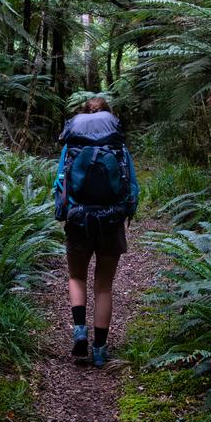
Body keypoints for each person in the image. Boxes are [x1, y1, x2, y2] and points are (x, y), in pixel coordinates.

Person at [53, 97, 139, 368]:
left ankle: (80, 331)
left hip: (78, 220)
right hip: (111, 221)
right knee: (104, 286)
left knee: (76, 276)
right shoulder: (118, 146)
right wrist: (127, 213)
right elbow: (132, 187)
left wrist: (63, 212)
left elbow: (60, 182)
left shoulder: (72, 146)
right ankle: (100, 349)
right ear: (108, 117)